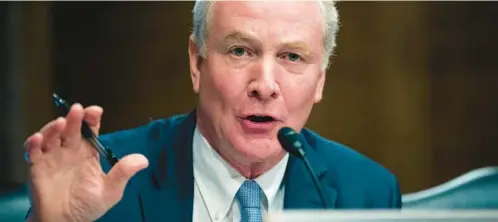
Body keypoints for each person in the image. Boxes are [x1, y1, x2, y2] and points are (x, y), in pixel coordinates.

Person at [24, 1, 401, 222]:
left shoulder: (367, 193)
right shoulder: (106, 178)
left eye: (292, 57)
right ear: (196, 62)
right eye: (240, 51)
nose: (265, 84)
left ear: (320, 81)